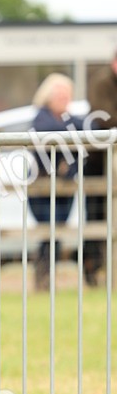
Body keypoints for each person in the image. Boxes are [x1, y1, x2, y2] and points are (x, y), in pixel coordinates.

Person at [28, 74, 81, 290]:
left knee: (58, 232)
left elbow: (91, 128)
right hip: (41, 187)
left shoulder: (70, 120)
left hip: (65, 187)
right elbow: (48, 133)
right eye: (59, 94)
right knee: (47, 232)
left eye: (66, 94)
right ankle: (43, 278)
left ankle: (47, 279)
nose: (63, 98)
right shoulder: (41, 118)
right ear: (47, 96)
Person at [84, 51, 117, 285]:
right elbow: (104, 117)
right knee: (96, 215)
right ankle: (91, 266)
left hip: (111, 157)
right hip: (98, 158)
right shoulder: (102, 81)